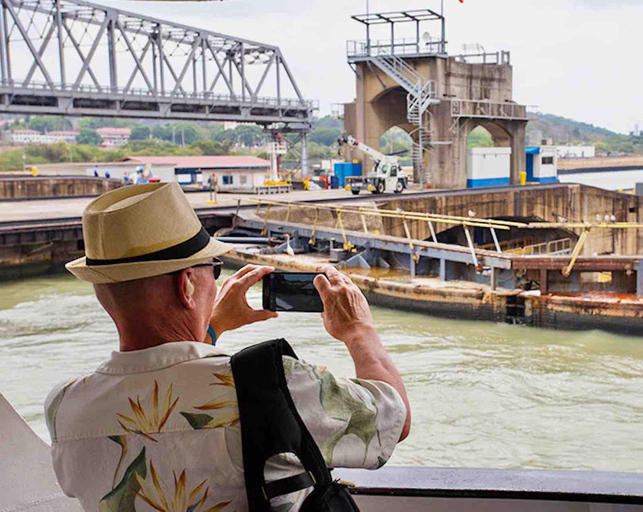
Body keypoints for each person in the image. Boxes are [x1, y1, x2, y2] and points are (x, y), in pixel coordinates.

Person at [44, 182, 409, 512]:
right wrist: (358, 330)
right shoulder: (276, 385)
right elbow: (393, 418)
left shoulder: (66, 408)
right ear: (187, 285)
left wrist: (211, 326)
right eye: (212, 269)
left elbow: (167, 399)